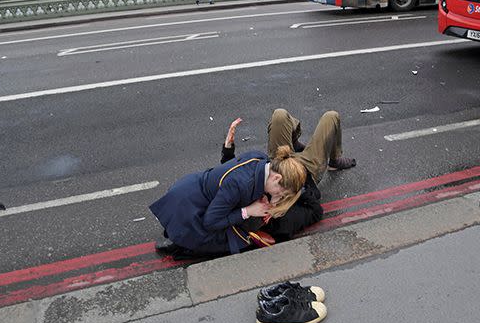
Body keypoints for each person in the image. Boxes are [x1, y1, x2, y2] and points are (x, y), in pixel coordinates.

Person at [220, 109, 356, 241]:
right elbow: (316, 211)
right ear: (266, 218)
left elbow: (231, 177)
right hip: (307, 170)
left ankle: (293, 143)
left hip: (280, 161)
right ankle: (334, 158)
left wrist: (228, 149)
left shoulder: (249, 198)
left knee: (280, 115)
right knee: (331, 117)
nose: (264, 201)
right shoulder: (284, 223)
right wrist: (299, 186)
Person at [150, 145, 306, 258]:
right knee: (233, 242)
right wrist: (248, 211)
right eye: (281, 193)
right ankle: (184, 246)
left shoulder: (261, 159)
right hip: (190, 210)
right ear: (277, 178)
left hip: (193, 190)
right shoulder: (239, 184)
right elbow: (210, 222)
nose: (279, 197)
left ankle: (177, 234)